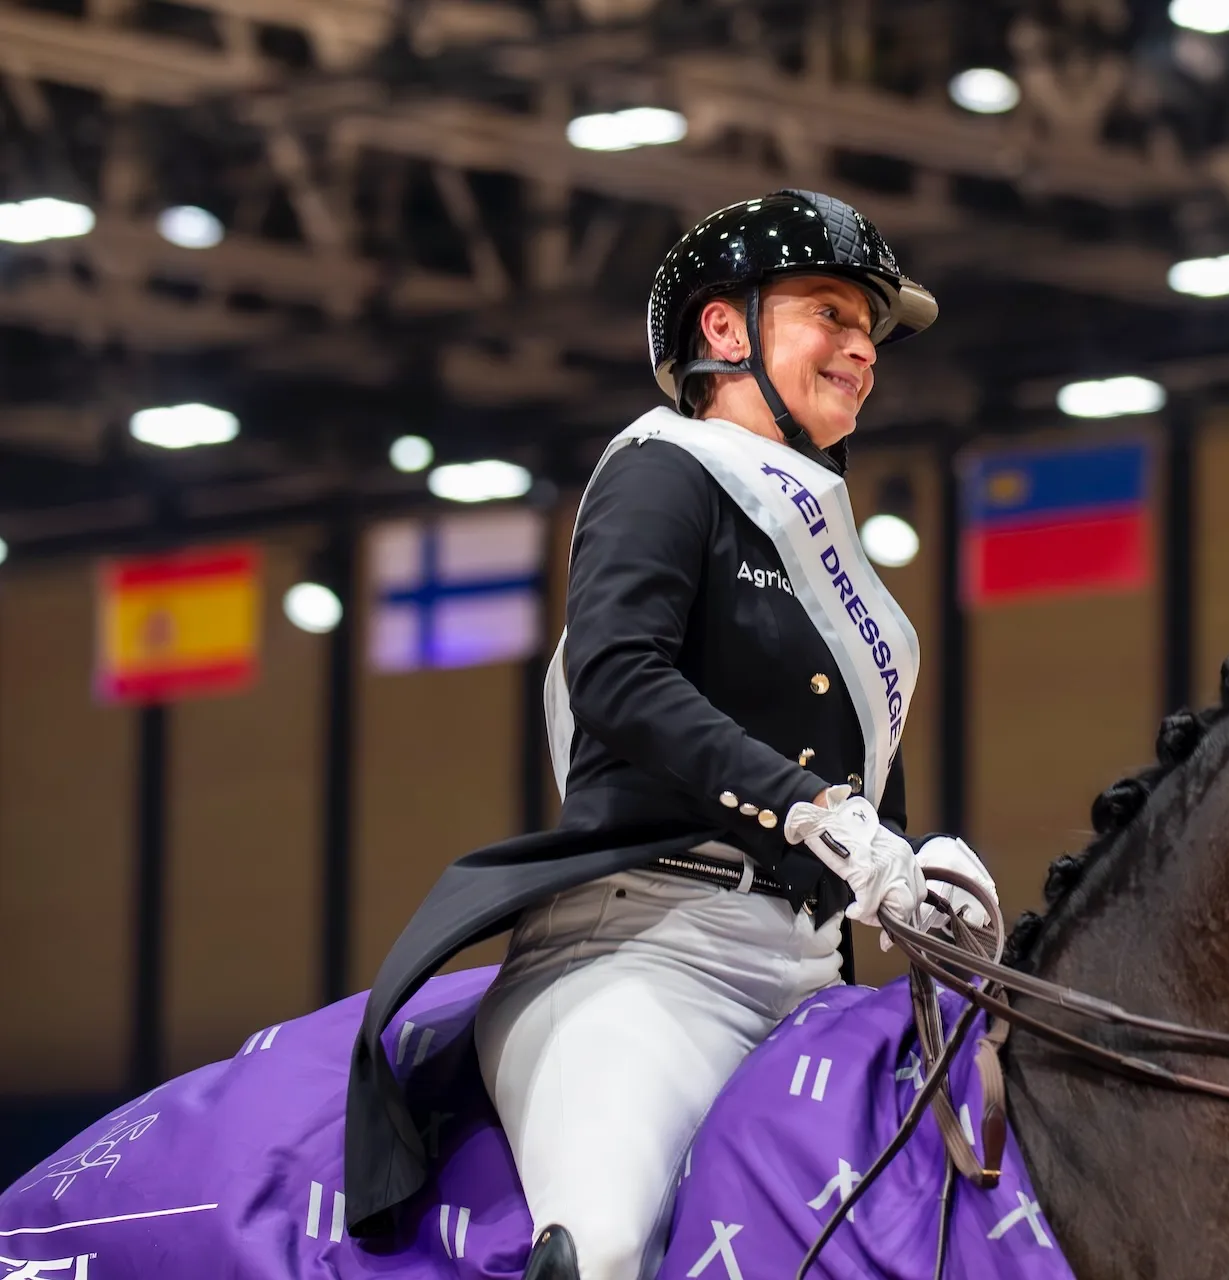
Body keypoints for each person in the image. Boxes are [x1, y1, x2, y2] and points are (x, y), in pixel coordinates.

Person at [340, 189, 998, 1280]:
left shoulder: (825, 553)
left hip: (806, 968)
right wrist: (811, 809)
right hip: (645, 956)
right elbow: (614, 673)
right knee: (600, 1248)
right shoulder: (661, 471)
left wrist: (913, 876)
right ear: (725, 328)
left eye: (867, 332)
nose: (860, 349)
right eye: (830, 313)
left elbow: (854, 777)